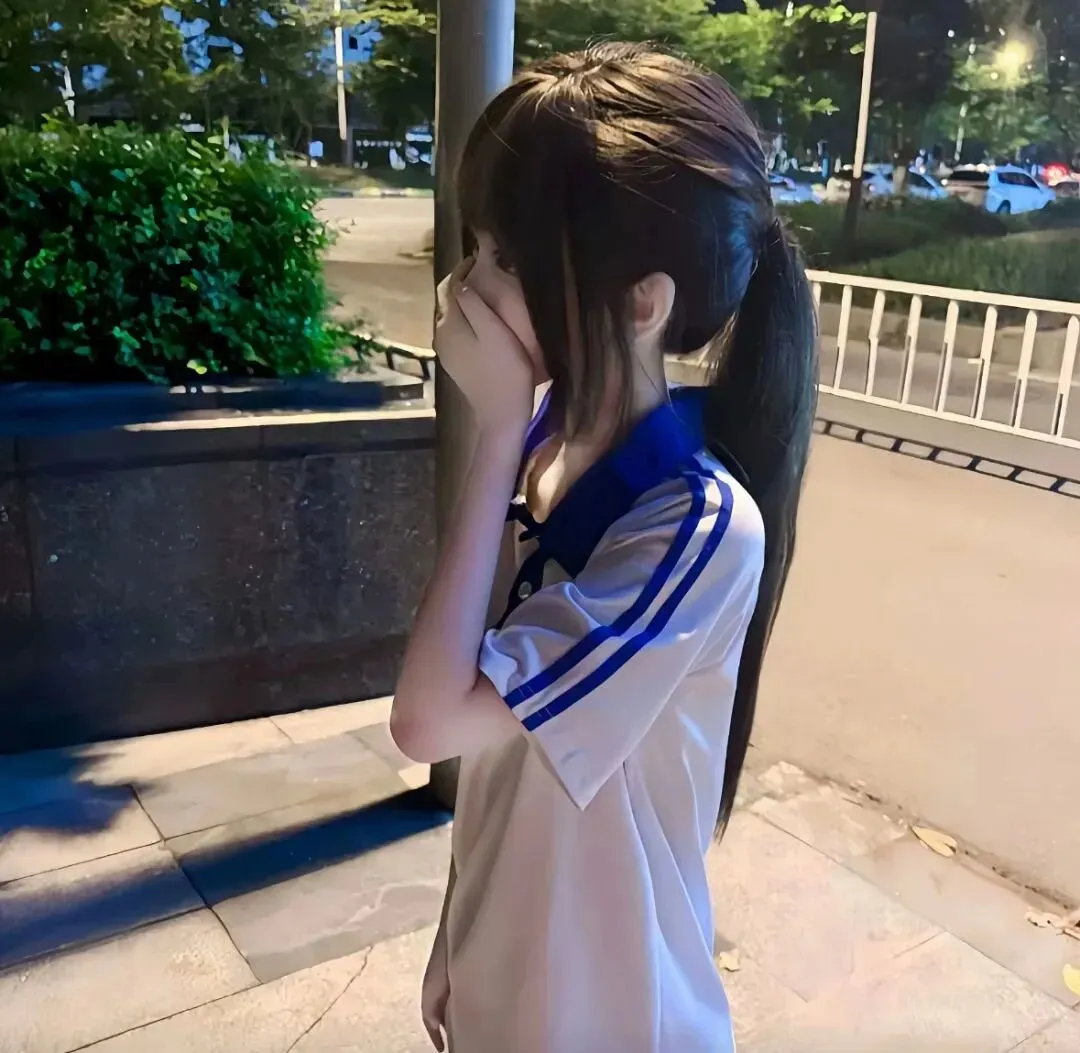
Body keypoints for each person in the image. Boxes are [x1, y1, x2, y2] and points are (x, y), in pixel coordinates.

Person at [390, 43, 818, 1053]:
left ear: (642, 302)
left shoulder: (697, 530)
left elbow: (428, 720)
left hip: (616, 1013)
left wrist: (496, 429)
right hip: (514, 980)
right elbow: (498, 741)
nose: (465, 286)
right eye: (476, 247)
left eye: (505, 259)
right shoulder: (547, 455)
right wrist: (457, 932)